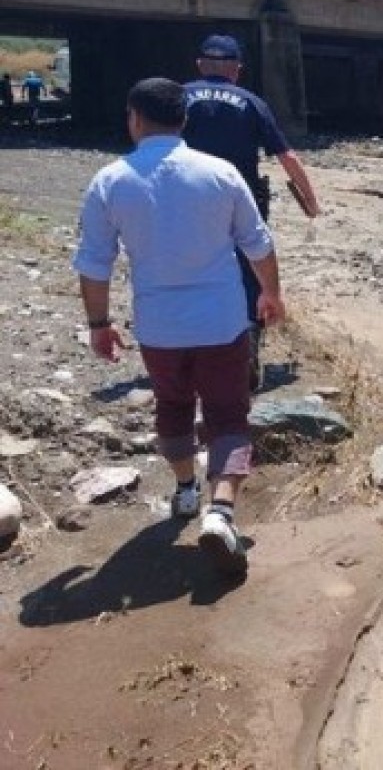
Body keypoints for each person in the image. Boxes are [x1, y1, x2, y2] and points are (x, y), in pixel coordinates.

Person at [73, 77, 284, 576]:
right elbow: (257, 242)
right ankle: (222, 512)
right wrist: (271, 294)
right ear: (184, 119)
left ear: (134, 118)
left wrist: (99, 324)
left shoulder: (110, 180)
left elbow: (93, 263)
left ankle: (187, 490)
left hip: (159, 327)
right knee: (229, 415)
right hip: (222, 321)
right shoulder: (220, 173)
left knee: (172, 405)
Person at [183, 34, 319, 390]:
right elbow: (286, 156)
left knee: (189, 268)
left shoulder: (177, 97)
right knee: (249, 272)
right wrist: (310, 200)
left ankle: (189, 353)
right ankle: (246, 353)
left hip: (184, 201)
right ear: (236, 70)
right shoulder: (251, 103)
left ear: (200, 65)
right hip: (240, 202)